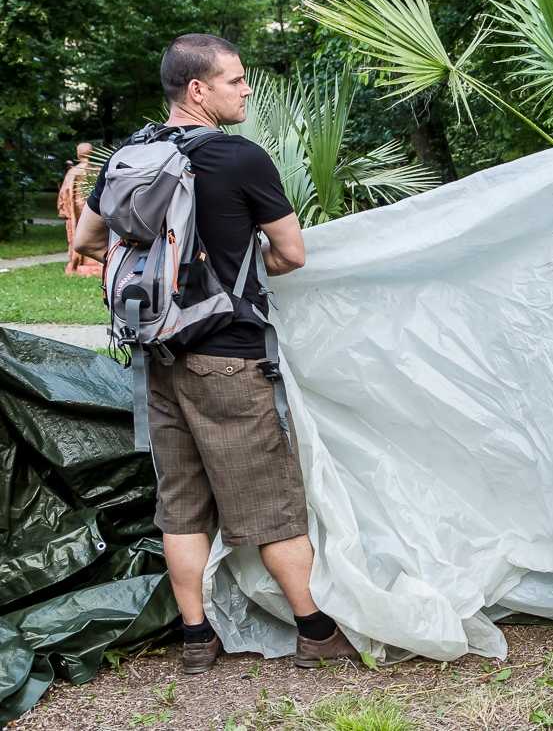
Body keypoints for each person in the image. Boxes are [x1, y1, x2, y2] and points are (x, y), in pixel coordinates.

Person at [72, 34, 360, 674]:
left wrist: (162, 288)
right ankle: (315, 629)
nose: (246, 89)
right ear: (197, 90)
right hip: (229, 359)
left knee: (181, 502)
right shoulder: (240, 158)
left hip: (161, 359)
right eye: (235, 80)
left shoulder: (131, 155)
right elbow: (291, 253)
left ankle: (197, 639)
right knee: (270, 500)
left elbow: (91, 241)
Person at [56, 143, 103, 278]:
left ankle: (82, 261)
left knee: (79, 231)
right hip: (93, 207)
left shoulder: (74, 171)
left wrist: (63, 209)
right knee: (94, 231)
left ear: (78, 153)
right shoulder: (97, 170)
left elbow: (64, 192)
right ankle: (92, 261)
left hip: (77, 208)